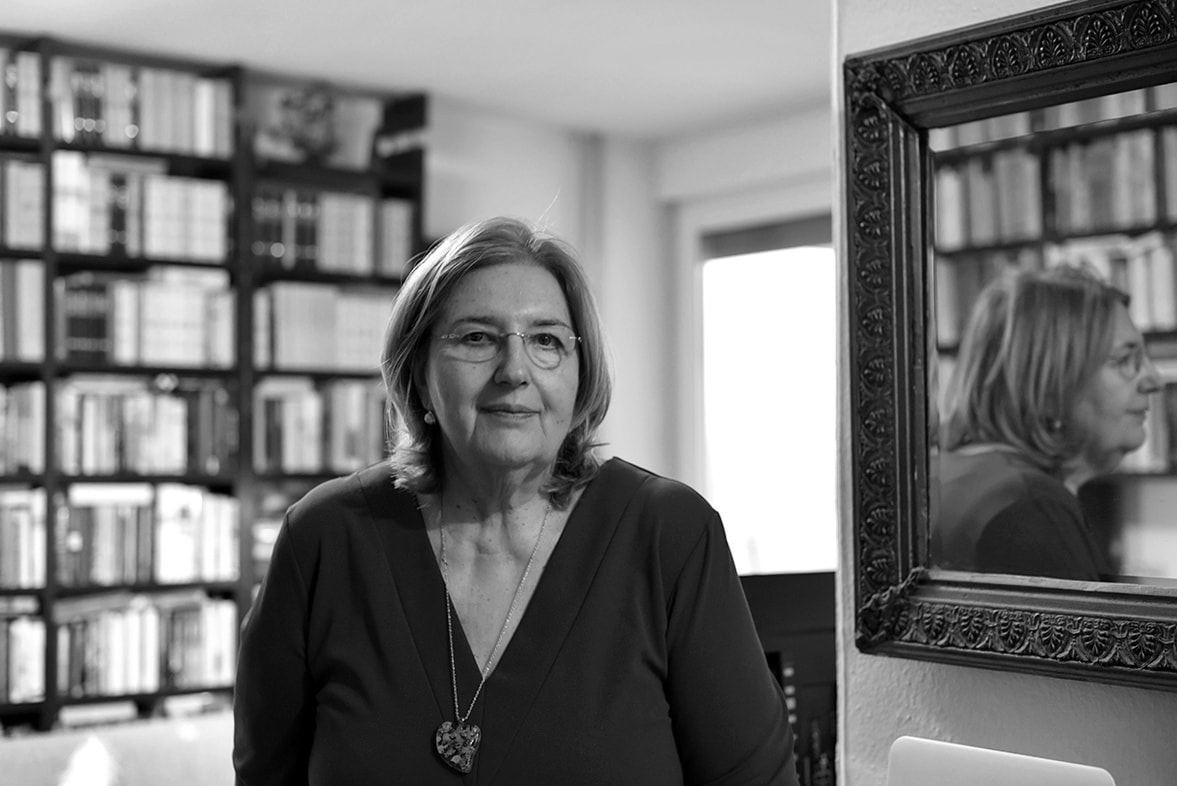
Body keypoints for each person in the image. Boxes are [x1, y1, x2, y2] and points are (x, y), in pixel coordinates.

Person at [232, 216, 800, 785]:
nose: (514, 371)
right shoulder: (323, 538)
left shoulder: (669, 535)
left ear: (580, 377)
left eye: (546, 340)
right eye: (477, 337)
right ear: (420, 374)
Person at [933, 263, 1161, 581]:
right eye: (1124, 360)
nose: (1154, 381)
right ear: (1051, 384)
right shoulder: (1032, 507)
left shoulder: (942, 471)